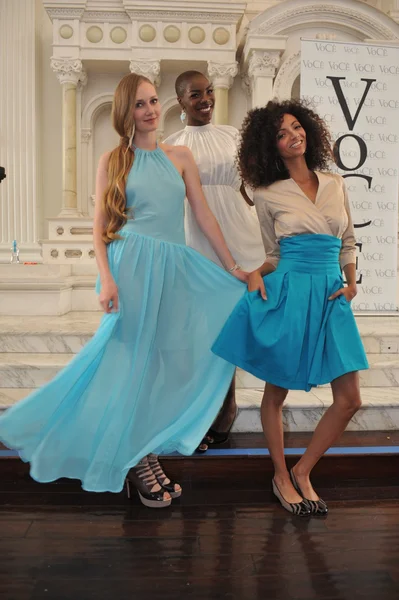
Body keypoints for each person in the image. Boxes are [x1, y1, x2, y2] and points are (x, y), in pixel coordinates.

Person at [0, 73, 247, 507]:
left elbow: (205, 217)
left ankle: (142, 451)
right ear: (125, 111)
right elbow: (100, 229)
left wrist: (233, 267)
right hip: (130, 265)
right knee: (133, 362)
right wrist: (107, 278)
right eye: (140, 104)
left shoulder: (181, 156)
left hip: (173, 267)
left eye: (153, 101)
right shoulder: (113, 160)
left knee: (163, 365)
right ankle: (138, 460)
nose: (150, 110)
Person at [212, 100, 369, 516]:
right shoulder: (266, 195)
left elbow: (348, 242)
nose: (293, 136)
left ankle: (304, 470)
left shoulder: (335, 183)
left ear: (309, 132)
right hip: (290, 291)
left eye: (297, 127)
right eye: (281, 133)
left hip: (331, 294)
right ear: (271, 146)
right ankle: (281, 476)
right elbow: (274, 255)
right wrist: (255, 273)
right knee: (275, 390)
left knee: (349, 398)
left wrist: (352, 283)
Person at [165, 70, 265, 452]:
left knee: (231, 327)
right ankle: (208, 410)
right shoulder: (171, 145)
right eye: (195, 94)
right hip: (195, 241)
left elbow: (254, 185)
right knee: (203, 333)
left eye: (209, 92)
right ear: (180, 101)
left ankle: (225, 408)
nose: (205, 99)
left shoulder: (232, 136)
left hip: (239, 236)